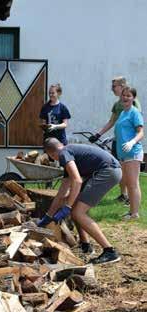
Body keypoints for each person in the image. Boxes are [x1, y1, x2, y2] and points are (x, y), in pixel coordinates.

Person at [38, 138, 122, 265]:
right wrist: (48, 215)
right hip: (108, 170)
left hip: (108, 171)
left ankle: (110, 251)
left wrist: (67, 206)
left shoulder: (63, 154)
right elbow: (62, 192)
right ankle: (85, 245)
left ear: (51, 154)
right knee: (75, 208)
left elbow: (77, 181)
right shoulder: (68, 153)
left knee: (78, 212)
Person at [89, 76, 141, 204]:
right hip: (118, 143)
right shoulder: (118, 105)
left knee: (131, 177)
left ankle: (131, 200)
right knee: (120, 170)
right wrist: (98, 134)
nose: (112, 89)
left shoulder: (133, 105)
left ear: (122, 85)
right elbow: (112, 121)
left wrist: (131, 141)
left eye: (114, 86)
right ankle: (124, 194)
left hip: (129, 145)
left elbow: (135, 124)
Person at [114, 86, 144, 220]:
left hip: (133, 152)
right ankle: (131, 211)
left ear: (133, 98)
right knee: (127, 183)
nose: (125, 98)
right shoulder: (122, 113)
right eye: (123, 95)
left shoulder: (134, 112)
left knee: (133, 184)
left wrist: (132, 142)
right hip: (123, 153)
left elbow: (140, 133)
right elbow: (122, 131)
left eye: (128, 96)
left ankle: (135, 213)